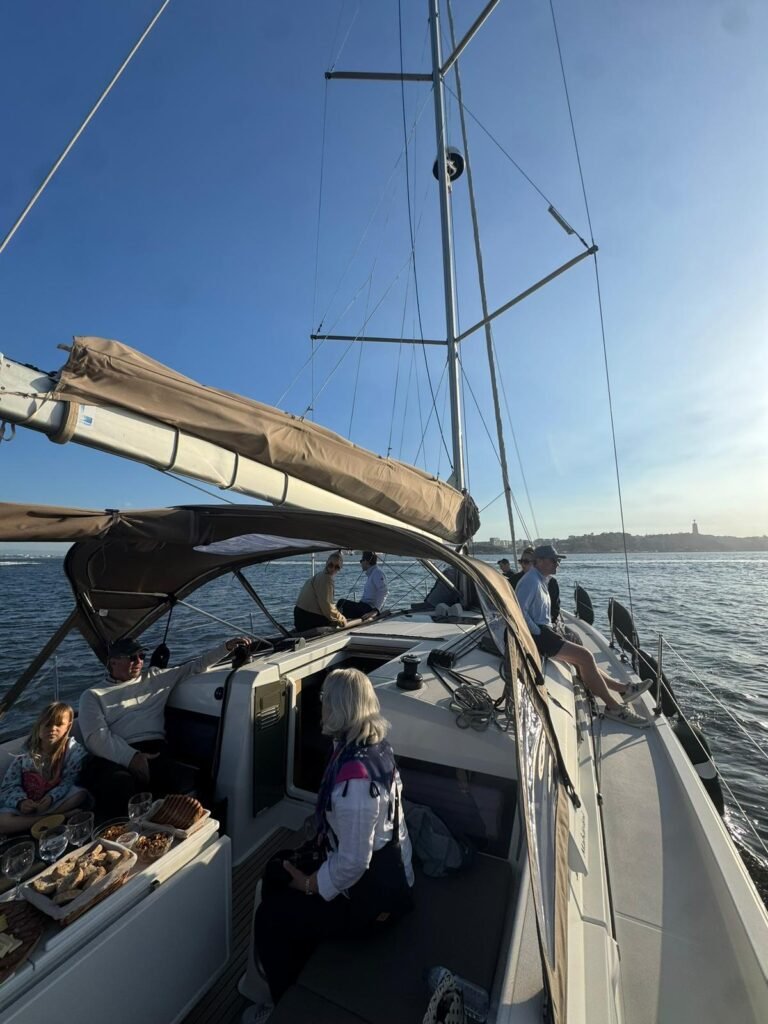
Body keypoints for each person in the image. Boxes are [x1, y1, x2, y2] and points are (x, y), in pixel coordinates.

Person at [239, 668, 414, 1022]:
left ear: (340, 709)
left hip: (374, 903)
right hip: (388, 876)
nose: (319, 708)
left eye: (324, 701)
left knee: (270, 917)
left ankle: (282, 1004)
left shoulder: (356, 784)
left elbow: (353, 862)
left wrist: (308, 883)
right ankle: (292, 957)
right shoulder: (373, 748)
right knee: (276, 870)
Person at [79, 633, 249, 819]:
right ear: (113, 663)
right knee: (121, 786)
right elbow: (96, 738)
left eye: (141, 657)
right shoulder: (92, 695)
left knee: (199, 779)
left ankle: (207, 830)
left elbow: (194, 667)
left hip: (155, 751)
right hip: (117, 753)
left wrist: (226, 648)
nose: (138, 661)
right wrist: (132, 758)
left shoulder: (155, 678)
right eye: (132, 657)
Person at [515, 545, 653, 727]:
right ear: (539, 561)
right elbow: (519, 611)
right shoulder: (531, 581)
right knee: (586, 656)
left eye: (558, 561)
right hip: (539, 635)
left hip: (544, 632)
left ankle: (623, 689)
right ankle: (613, 708)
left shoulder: (541, 579)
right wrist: (539, 632)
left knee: (584, 659)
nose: (557, 564)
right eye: (553, 561)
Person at [0, 702, 89, 835]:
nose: (52, 728)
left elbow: (68, 781)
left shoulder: (73, 752)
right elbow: (8, 786)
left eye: (58, 724)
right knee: (2, 822)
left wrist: (52, 797)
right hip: (27, 806)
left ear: (68, 726)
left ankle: (44, 819)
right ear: (39, 727)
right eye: (47, 724)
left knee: (80, 794)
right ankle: (54, 818)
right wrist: (21, 802)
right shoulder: (24, 755)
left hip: (54, 802)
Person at [293, 552, 347, 631]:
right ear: (326, 563)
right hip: (307, 618)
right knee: (341, 618)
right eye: (331, 565)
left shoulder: (319, 575)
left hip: (299, 616)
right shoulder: (326, 579)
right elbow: (327, 607)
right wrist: (342, 619)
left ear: (340, 568)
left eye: (337, 567)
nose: (333, 569)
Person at [337, 551, 388, 620]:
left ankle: (335, 621)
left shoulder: (377, 573)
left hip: (369, 609)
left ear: (366, 561)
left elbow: (383, 591)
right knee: (340, 605)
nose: (360, 563)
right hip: (364, 606)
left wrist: (375, 611)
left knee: (341, 603)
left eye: (361, 561)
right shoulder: (372, 573)